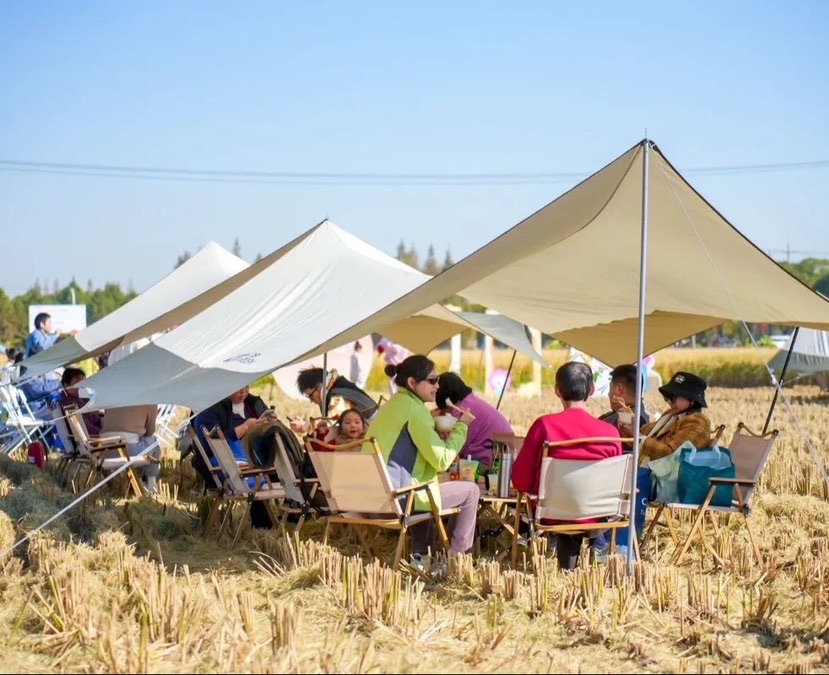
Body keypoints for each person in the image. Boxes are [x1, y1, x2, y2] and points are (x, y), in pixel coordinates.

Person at [365, 355, 477, 565]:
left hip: (371, 498)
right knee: (470, 491)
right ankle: (457, 560)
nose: (438, 386)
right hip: (398, 500)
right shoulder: (415, 410)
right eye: (433, 380)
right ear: (412, 383)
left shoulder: (392, 405)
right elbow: (443, 461)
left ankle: (421, 556)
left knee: (423, 486)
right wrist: (462, 427)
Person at [511, 361, 622, 571]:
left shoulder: (544, 425)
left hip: (553, 512)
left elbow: (521, 480)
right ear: (591, 390)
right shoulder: (610, 432)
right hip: (598, 514)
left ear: (557, 391)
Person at [619, 371, 712, 464]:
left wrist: (637, 436)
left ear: (691, 400)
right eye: (666, 397)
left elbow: (671, 454)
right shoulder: (671, 415)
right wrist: (628, 427)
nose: (669, 402)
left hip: (662, 477)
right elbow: (646, 435)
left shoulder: (698, 423)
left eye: (673, 398)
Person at [434, 371, 513, 469]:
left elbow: (451, 450)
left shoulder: (464, 411)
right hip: (504, 459)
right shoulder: (470, 402)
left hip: (492, 466)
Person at [99, 403, 162, 494]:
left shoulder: (113, 395)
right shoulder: (150, 402)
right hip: (128, 450)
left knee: (141, 445)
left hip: (105, 451)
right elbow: (150, 431)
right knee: (154, 444)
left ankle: (138, 480)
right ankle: (150, 485)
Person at [291, 367, 377, 428]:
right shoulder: (337, 386)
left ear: (320, 387)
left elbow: (334, 429)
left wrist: (305, 426)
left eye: (311, 396)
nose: (311, 401)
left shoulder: (336, 398)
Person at [599, 364, 650, 453]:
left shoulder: (626, 419)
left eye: (610, 388)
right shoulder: (641, 416)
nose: (608, 394)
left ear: (619, 389)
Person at [58, 367, 103, 436]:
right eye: (78, 383)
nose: (82, 386)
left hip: (100, 429)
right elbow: (85, 427)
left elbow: (95, 413)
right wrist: (104, 433)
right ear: (66, 385)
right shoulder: (68, 404)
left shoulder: (82, 396)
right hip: (95, 438)